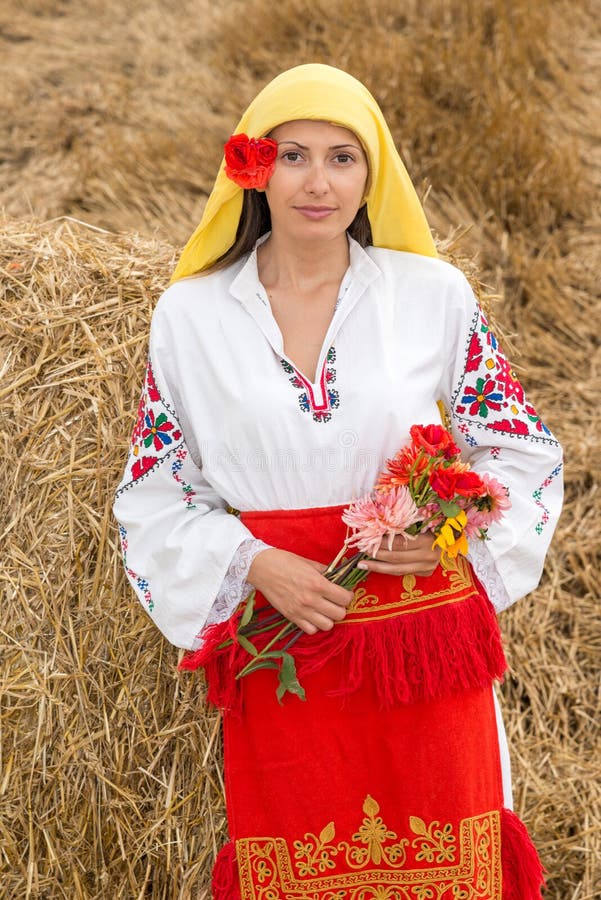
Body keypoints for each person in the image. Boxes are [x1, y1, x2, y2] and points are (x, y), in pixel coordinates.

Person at [113, 64, 563, 898]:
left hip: (419, 642)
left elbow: (520, 449)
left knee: (443, 859)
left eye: (342, 157)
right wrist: (252, 561)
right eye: (292, 155)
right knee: (299, 857)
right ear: (254, 168)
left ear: (372, 175)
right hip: (285, 636)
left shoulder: (431, 295)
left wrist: (447, 540)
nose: (317, 182)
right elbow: (157, 490)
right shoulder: (190, 315)